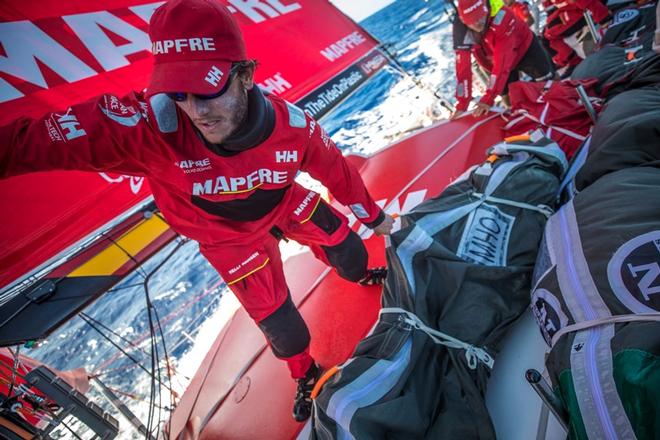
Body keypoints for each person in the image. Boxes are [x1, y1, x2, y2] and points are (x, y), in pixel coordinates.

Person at [0, 0, 394, 422]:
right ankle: (305, 375)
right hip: (228, 239)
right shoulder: (146, 128)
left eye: (206, 89)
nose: (196, 110)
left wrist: (374, 218)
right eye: (178, 94)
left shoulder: (292, 127)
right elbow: (25, 143)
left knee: (348, 248)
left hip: (282, 201)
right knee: (280, 323)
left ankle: (360, 275)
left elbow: (338, 171)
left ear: (245, 74)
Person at [450, 0, 556, 119]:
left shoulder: (503, 17)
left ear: (486, 10)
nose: (477, 24)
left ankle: (563, 108)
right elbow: (462, 67)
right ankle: (521, 121)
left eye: (480, 18)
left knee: (549, 84)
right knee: (509, 99)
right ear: (464, 20)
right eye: (472, 22)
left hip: (524, 50)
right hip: (493, 62)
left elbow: (503, 62)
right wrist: (461, 105)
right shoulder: (460, 26)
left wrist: (488, 99)